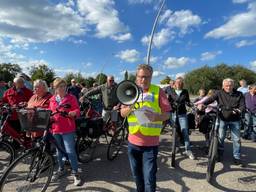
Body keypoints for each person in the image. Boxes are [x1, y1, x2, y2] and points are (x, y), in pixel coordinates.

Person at [120, 64, 171, 192]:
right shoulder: (130, 90)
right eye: (141, 77)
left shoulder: (158, 91)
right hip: (133, 142)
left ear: (151, 77)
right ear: (136, 77)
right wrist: (131, 106)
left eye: (147, 77)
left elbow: (167, 113)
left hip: (150, 144)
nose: (144, 80)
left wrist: (156, 117)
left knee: (149, 177)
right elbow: (122, 113)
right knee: (137, 175)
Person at [202, 78, 245, 165]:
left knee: (236, 139)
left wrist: (238, 111)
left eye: (230, 85)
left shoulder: (239, 94)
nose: (228, 87)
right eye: (226, 86)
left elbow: (242, 106)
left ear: (233, 85)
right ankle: (219, 155)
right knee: (221, 138)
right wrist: (203, 104)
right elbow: (210, 99)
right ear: (223, 86)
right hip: (222, 118)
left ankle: (237, 157)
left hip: (235, 119)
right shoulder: (219, 93)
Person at [49, 78, 81, 186]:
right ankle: (61, 169)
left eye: (64, 86)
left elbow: (78, 110)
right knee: (58, 152)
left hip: (68, 128)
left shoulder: (71, 97)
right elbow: (51, 112)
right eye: (60, 86)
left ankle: (75, 173)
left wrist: (74, 112)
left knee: (70, 151)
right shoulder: (52, 99)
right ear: (55, 88)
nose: (62, 88)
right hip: (55, 129)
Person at [166, 77, 195, 160]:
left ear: (182, 84)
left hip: (182, 114)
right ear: (175, 83)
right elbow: (168, 100)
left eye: (180, 82)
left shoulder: (185, 91)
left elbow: (187, 101)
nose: (178, 83)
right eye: (177, 82)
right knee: (176, 132)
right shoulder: (171, 91)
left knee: (185, 131)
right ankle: (176, 147)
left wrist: (192, 105)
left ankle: (188, 150)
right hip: (173, 113)